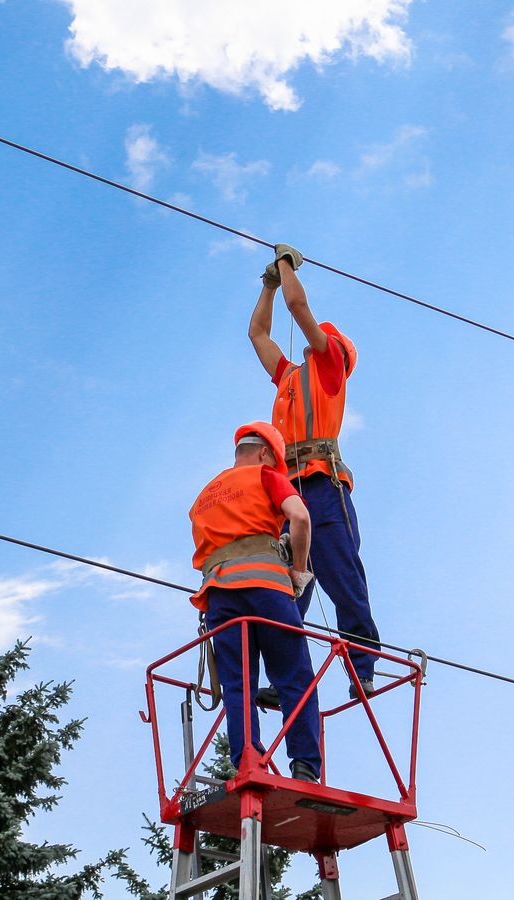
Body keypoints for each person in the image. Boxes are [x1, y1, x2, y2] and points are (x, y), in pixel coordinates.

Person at [248, 243, 381, 703]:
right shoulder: (289, 375)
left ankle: (362, 667)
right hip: (288, 492)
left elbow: (298, 305)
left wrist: (285, 265)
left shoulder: (328, 369)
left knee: (343, 577)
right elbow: (258, 333)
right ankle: (288, 683)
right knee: (288, 589)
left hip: (323, 487)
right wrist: (266, 287)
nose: (312, 336)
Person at [188, 421, 321, 782]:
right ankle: (305, 766)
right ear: (264, 453)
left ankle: (248, 761)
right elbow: (300, 517)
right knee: (294, 676)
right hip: (267, 589)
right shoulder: (266, 476)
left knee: (238, 683)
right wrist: (298, 571)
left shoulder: (204, 496)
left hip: (220, 597)